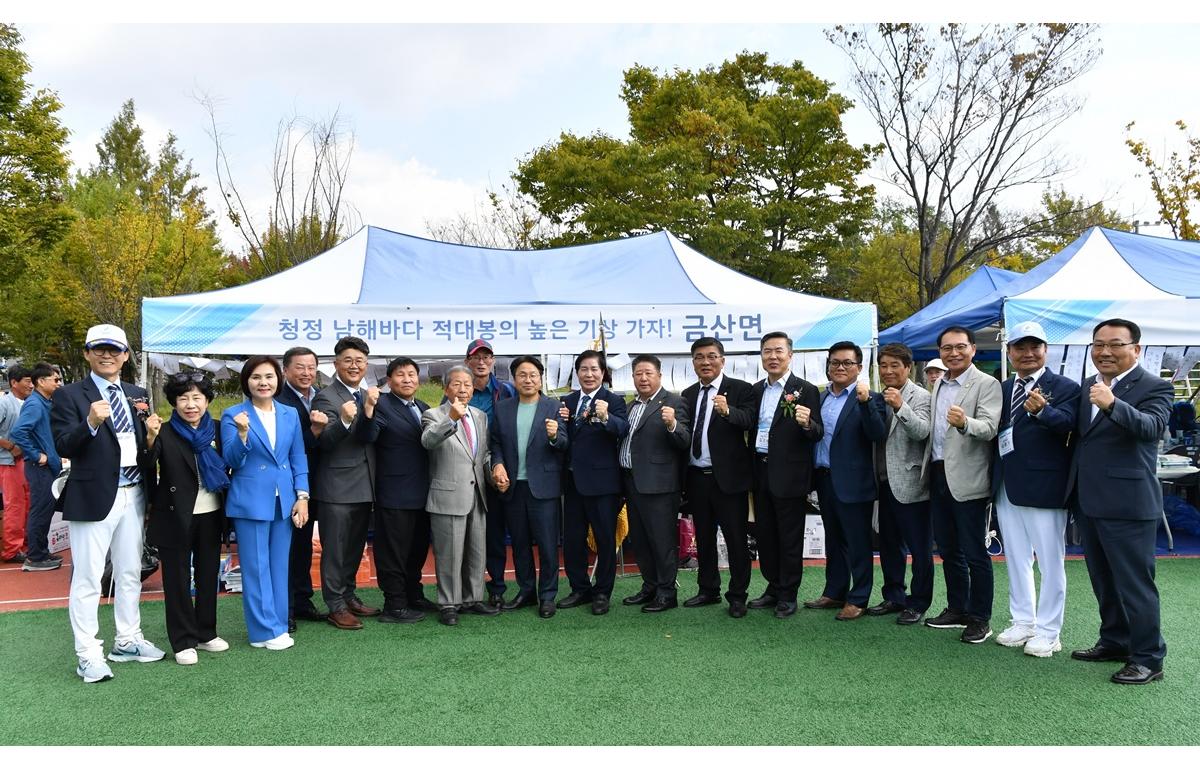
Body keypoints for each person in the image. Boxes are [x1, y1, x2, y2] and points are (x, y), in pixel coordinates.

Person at [50, 325, 166, 683]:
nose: (107, 355)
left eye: (114, 350)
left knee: (130, 571)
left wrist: (150, 438)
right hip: (93, 497)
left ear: (126, 356)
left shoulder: (137, 393)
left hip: (134, 493)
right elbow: (64, 445)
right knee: (88, 578)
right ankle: (88, 653)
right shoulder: (69, 395)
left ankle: (127, 640)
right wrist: (90, 422)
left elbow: (147, 453)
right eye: (99, 349)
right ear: (87, 353)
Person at [1067, 318, 1172, 684]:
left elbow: (1152, 428)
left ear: (1136, 349)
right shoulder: (1087, 387)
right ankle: (1114, 641)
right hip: (1089, 501)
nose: (1105, 352)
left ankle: (1148, 659)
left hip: (1129, 504)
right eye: (1098, 344)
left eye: (1115, 344)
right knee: (1103, 579)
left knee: (1135, 585)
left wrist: (1113, 405)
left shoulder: (1155, 386)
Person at [990, 322, 1080, 658]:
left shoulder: (1065, 386)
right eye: (1020, 347)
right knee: (1015, 557)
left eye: (1035, 347)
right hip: (1006, 483)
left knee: (1050, 562)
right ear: (1010, 351)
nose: (1027, 354)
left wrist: (1044, 411)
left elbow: (1069, 425)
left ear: (1046, 350)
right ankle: (1023, 620)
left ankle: (1048, 630)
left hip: (1045, 486)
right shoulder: (1002, 388)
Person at [221, 355, 310, 651]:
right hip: (250, 500)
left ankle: (278, 625)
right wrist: (243, 434)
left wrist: (302, 496)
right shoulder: (233, 414)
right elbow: (231, 460)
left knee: (279, 565)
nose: (263, 382)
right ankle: (263, 631)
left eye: (269, 376)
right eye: (256, 377)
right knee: (256, 567)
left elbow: (298, 456)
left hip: (284, 499)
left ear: (278, 379)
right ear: (246, 381)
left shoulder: (289, 414)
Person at [146, 372, 231, 665]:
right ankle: (183, 640)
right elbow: (146, 469)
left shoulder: (219, 430)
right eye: (183, 398)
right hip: (174, 515)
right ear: (174, 403)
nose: (190, 404)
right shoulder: (165, 432)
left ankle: (206, 633)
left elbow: (234, 462)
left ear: (207, 401)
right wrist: (149, 439)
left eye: (197, 397)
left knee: (209, 575)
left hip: (211, 513)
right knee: (178, 580)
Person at [923, 326, 1002, 644]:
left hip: (968, 478)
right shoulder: (939, 383)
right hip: (938, 474)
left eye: (960, 347)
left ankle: (980, 617)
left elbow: (990, 428)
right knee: (948, 548)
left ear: (972, 349)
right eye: (946, 348)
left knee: (974, 552)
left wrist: (964, 423)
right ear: (940, 352)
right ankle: (957, 608)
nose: (953, 353)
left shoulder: (986, 383)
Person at [355, 356, 438, 624]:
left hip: (422, 493)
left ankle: (414, 595)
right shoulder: (382, 405)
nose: (407, 379)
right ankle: (394, 604)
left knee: (416, 549)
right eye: (400, 375)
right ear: (389, 380)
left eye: (412, 374)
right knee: (393, 553)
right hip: (395, 493)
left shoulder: (423, 407)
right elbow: (367, 436)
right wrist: (367, 410)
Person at [809, 341, 887, 621]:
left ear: (859, 367)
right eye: (834, 363)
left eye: (847, 363)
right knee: (834, 540)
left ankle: (859, 597)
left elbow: (877, 433)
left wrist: (866, 404)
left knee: (857, 543)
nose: (840, 368)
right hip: (824, 478)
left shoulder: (871, 398)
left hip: (855, 482)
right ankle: (835, 591)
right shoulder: (821, 398)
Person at [679, 337, 756, 618]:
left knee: (736, 539)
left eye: (712, 356)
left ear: (723, 360)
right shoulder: (686, 394)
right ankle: (708, 589)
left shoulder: (741, 389)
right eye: (700, 357)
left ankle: (737, 596)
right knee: (705, 537)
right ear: (693, 362)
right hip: (697, 477)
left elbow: (748, 420)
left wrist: (727, 412)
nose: (706, 362)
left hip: (729, 479)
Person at [748, 332, 823, 618]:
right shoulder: (755, 391)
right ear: (762, 356)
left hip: (790, 476)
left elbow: (817, 433)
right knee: (765, 535)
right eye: (767, 351)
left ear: (790, 355)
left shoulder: (805, 390)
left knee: (789, 538)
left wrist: (806, 424)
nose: (773, 356)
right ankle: (773, 585)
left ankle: (788, 594)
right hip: (760, 470)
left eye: (779, 351)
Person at [489, 356, 569, 618]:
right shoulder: (502, 408)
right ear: (514, 378)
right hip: (513, 487)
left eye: (533, 375)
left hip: (543, 487)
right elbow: (496, 443)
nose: (528, 379)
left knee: (547, 545)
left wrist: (555, 435)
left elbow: (564, 444)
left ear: (541, 378)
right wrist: (497, 465)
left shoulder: (554, 406)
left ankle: (547, 596)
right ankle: (526, 591)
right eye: (522, 375)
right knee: (520, 544)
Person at [422, 365, 500, 626]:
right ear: (446, 389)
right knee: (449, 554)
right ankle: (448, 603)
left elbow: (483, 453)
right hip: (448, 495)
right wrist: (452, 418)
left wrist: (494, 473)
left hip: (478, 493)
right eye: (457, 384)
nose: (463, 389)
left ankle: (473, 598)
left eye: (467, 384)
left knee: (477, 551)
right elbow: (429, 441)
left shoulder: (479, 415)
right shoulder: (433, 414)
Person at [311, 336, 379, 630]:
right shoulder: (326, 397)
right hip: (336, 488)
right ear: (336, 363)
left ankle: (349, 596)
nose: (354, 365)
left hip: (365, 485)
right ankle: (335, 605)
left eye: (360, 361)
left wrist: (367, 412)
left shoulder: (368, 396)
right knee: (335, 550)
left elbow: (372, 437)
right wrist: (345, 420)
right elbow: (324, 441)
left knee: (354, 547)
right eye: (348, 360)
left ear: (366, 365)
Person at [557, 350, 629, 616]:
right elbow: (563, 437)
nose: (589, 374)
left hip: (603, 484)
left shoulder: (614, 400)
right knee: (573, 539)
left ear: (603, 373)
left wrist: (607, 417)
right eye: (584, 369)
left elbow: (622, 429)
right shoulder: (568, 400)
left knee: (604, 539)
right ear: (577, 373)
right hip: (572, 482)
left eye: (594, 369)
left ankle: (602, 592)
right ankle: (580, 588)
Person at [619, 354, 691, 613]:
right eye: (638, 373)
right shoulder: (629, 406)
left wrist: (672, 424)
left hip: (660, 486)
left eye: (648, 372)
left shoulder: (674, 402)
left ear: (659, 375)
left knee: (661, 541)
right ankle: (649, 586)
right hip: (631, 482)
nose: (643, 378)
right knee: (639, 540)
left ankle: (666, 592)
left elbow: (684, 441)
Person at [871, 343, 934, 625]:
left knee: (920, 549)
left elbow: (922, 432)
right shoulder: (875, 397)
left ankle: (918, 602)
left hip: (911, 483)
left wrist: (900, 407)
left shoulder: (921, 396)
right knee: (889, 545)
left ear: (908, 368)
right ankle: (894, 596)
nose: (888, 371)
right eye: (883, 365)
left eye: (895, 365)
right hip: (882, 483)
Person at [274, 346, 330, 632]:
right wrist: (316, 431)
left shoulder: (320, 396)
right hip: (292, 485)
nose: (307, 373)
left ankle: (304, 599)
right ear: (285, 370)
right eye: (300, 367)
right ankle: (287, 608)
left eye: (311, 367)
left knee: (305, 546)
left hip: (320, 483)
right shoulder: (277, 401)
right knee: (291, 547)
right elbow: (287, 447)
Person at [463, 338, 517, 606]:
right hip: (467, 471)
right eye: (476, 357)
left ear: (493, 361)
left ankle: (497, 586)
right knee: (471, 532)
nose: (482, 362)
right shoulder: (460, 391)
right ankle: (468, 590)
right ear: (467, 362)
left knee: (495, 532)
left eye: (487, 357)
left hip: (500, 468)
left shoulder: (507, 391)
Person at [11, 363, 63, 571]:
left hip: (47, 466)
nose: (59, 384)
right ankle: (35, 557)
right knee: (41, 510)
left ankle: (40, 551)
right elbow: (17, 433)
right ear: (41, 381)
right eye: (55, 380)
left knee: (45, 509)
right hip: (39, 467)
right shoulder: (34, 404)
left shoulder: (44, 402)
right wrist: (37, 455)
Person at [0, 366, 33, 563]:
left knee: (28, 503)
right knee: (15, 506)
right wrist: (11, 446)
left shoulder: (28, 403)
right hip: (8, 462)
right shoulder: (4, 402)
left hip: (26, 461)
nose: (30, 385)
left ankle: (24, 544)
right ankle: (11, 550)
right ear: (14, 383)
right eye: (27, 381)